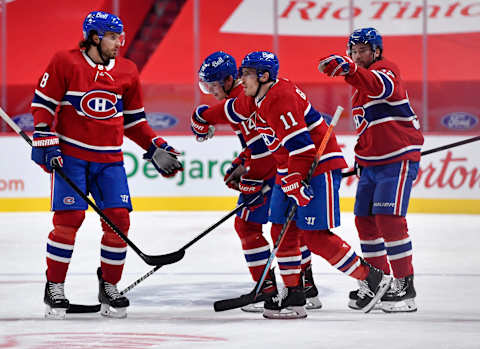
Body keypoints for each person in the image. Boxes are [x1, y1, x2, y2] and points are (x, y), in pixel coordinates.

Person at [195, 51, 392, 319]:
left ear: (263, 76)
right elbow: (227, 110)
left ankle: (373, 279)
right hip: (288, 169)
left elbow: (303, 149)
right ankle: (294, 295)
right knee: (280, 231)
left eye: (246, 74)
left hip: (317, 166)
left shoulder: (281, 97)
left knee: (314, 236)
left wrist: (296, 180)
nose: (242, 80)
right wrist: (202, 115)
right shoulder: (252, 97)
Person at [31, 11, 183, 319]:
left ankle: (110, 286)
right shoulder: (65, 61)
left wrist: (155, 146)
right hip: (71, 157)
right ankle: (55, 287)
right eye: (113, 37)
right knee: (68, 220)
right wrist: (45, 136)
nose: (119, 43)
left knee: (118, 221)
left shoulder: (127, 70)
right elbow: (43, 104)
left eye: (121, 37)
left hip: (110, 160)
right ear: (95, 37)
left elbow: (135, 121)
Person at [191, 51, 322, 312]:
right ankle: (305, 286)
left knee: (248, 226)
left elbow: (265, 149)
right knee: (290, 230)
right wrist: (242, 162)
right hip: (282, 167)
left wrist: (252, 177)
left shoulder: (245, 98)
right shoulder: (244, 95)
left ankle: (267, 289)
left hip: (278, 171)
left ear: (228, 80)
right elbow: (261, 142)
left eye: (213, 86)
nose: (211, 92)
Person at [318, 27, 424, 312]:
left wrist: (350, 69)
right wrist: (361, 158)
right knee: (364, 220)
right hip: (371, 164)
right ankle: (379, 282)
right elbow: (367, 130)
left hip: (396, 159)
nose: (356, 55)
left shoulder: (387, 69)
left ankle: (405, 286)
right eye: (352, 51)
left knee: (389, 220)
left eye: (362, 50)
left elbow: (381, 87)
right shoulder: (357, 91)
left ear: (376, 51)